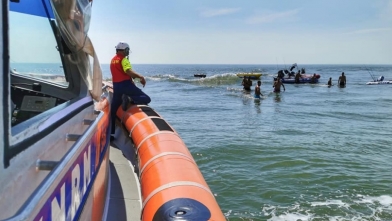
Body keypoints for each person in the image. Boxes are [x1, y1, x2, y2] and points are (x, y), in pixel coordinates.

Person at [110, 41, 151, 139]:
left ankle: (111, 134)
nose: (128, 52)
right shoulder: (123, 60)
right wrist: (140, 76)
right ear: (125, 50)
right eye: (127, 50)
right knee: (146, 98)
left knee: (113, 110)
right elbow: (128, 70)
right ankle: (129, 99)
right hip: (126, 85)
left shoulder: (112, 60)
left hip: (116, 87)